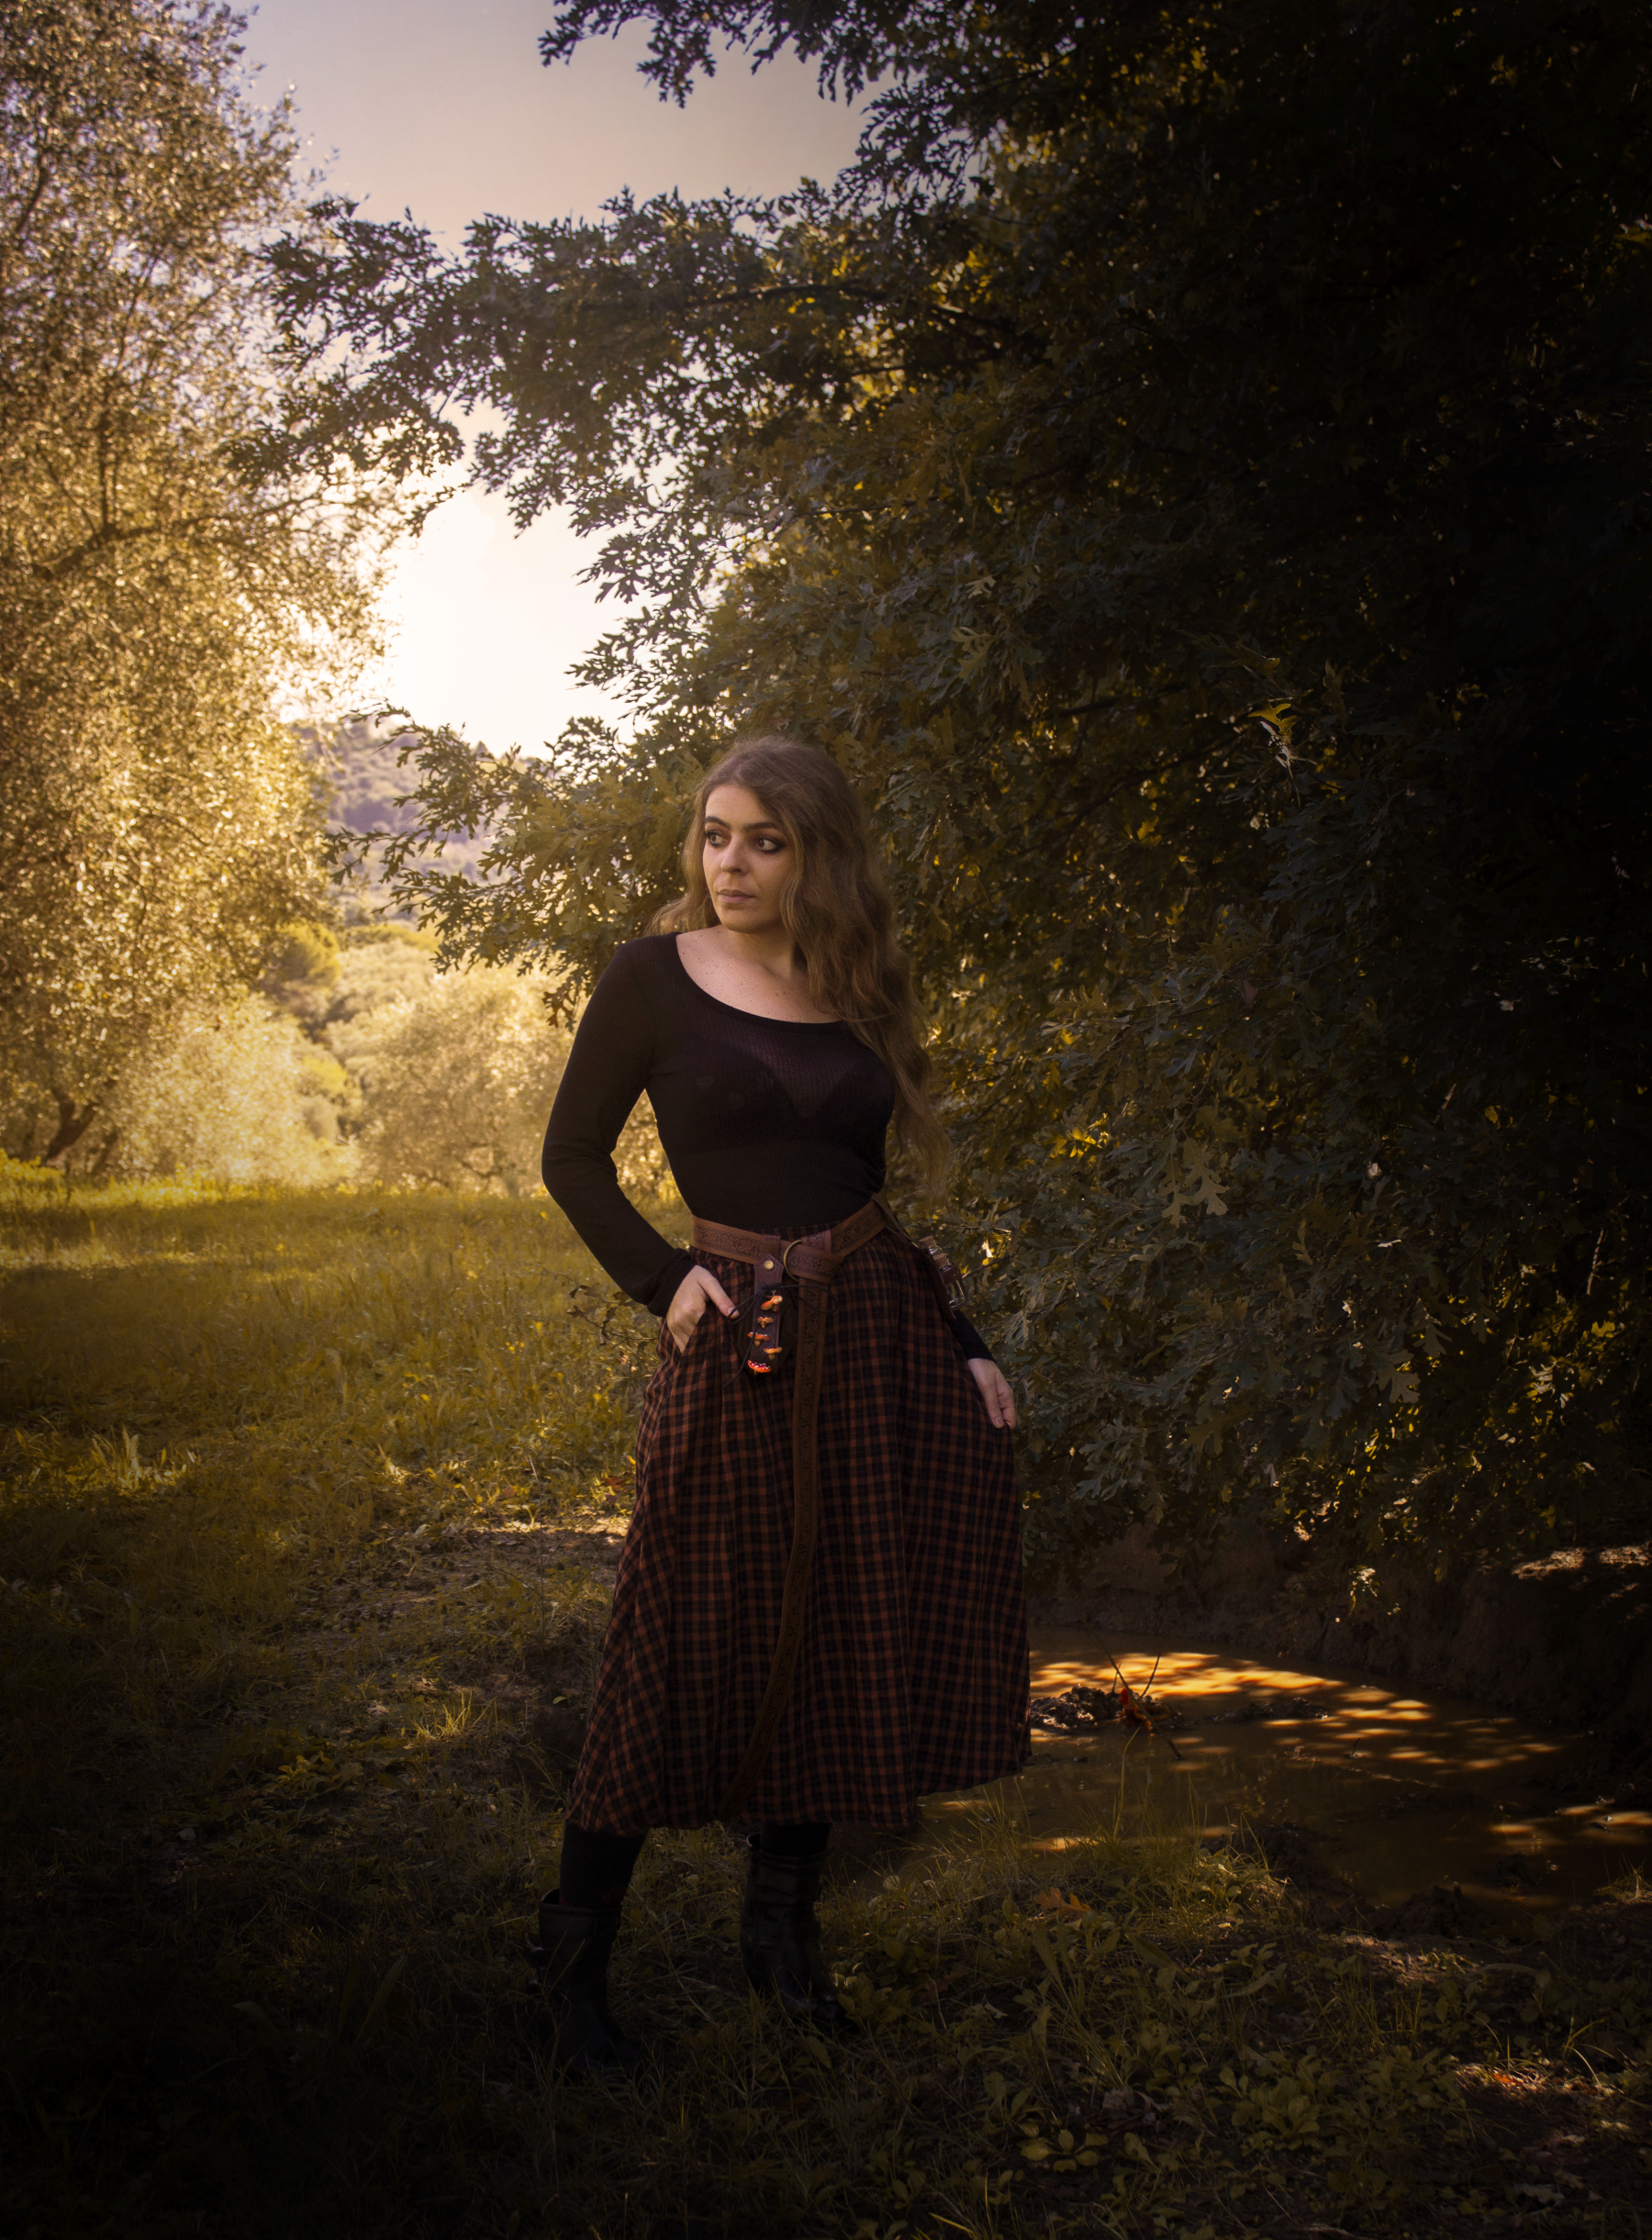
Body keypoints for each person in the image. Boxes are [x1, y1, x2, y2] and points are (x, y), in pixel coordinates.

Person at [532, 735, 1030, 2072]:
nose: (732, 863)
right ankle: (569, 1978)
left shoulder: (859, 987)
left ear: (818, 855)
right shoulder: (652, 976)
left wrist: (966, 1340)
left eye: (765, 839)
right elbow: (570, 1155)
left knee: (840, 1620)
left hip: (878, 1328)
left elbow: (860, 1195)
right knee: (680, 1626)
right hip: (735, 1331)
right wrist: (663, 1282)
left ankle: (783, 1945)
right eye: (715, 835)